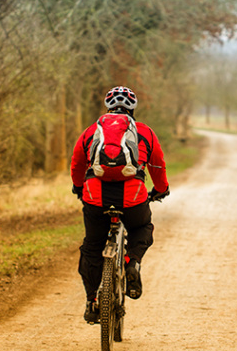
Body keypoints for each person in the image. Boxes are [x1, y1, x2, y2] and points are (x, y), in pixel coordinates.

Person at [70, 86, 169, 324]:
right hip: (132, 196)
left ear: (108, 107)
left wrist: (78, 186)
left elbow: (77, 162)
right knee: (142, 228)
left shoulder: (92, 130)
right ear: (133, 109)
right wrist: (161, 190)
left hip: (95, 196)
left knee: (92, 246)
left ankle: (92, 301)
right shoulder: (145, 132)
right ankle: (131, 262)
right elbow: (157, 166)